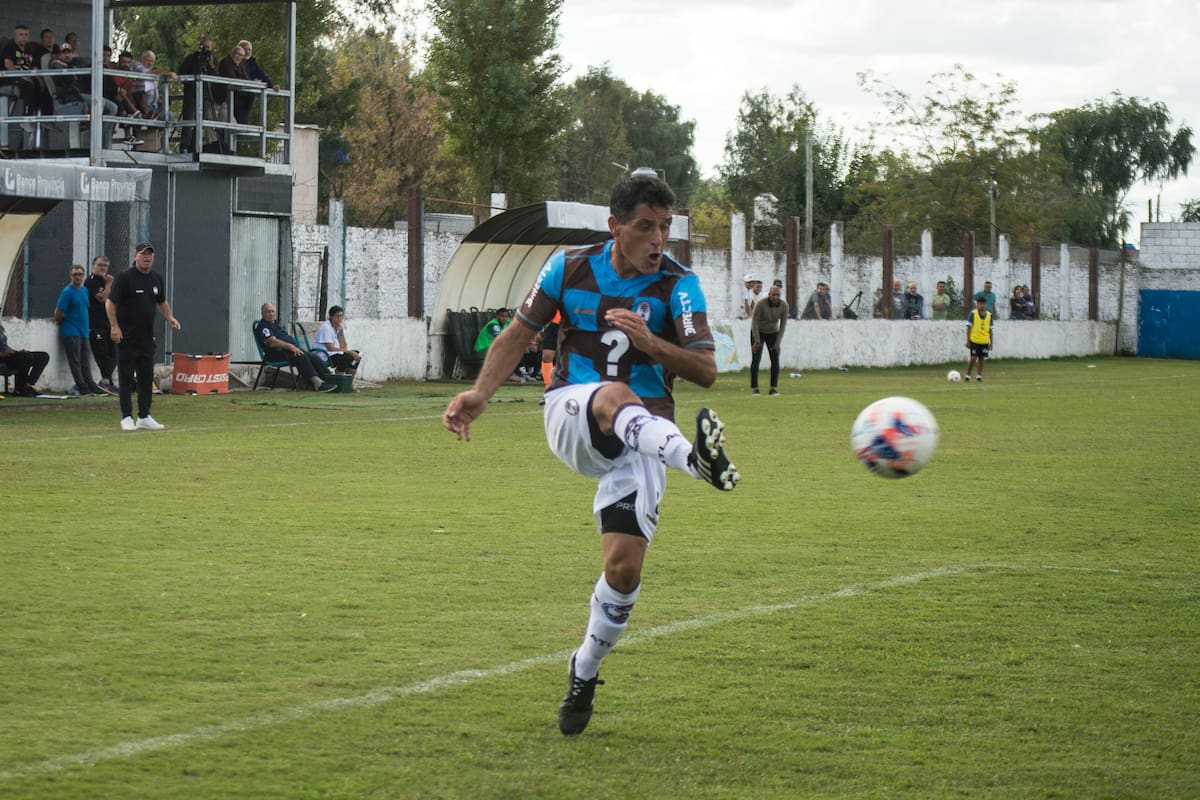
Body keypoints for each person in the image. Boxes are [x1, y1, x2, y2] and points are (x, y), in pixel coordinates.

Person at [443, 172, 740, 737]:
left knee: (623, 569)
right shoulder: (567, 267)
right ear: (615, 227)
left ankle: (583, 670)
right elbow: (515, 334)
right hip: (574, 414)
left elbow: (705, 371)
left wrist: (651, 342)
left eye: (665, 228)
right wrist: (480, 394)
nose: (658, 239)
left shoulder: (680, 286)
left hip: (645, 439)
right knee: (614, 395)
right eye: (645, 227)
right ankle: (696, 461)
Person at [106, 242, 182, 430]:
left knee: (146, 377)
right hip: (126, 338)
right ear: (135, 257)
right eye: (143, 254)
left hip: (146, 338)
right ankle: (126, 417)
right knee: (125, 377)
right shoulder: (125, 278)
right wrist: (114, 327)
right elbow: (110, 302)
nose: (147, 257)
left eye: (150, 254)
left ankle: (144, 416)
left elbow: (161, 302)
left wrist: (170, 317)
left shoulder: (156, 279)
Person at [253, 302, 338, 392]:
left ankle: (331, 380)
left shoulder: (276, 325)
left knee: (314, 357)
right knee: (300, 356)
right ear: (262, 313)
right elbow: (271, 342)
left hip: (288, 351)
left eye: (273, 311)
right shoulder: (263, 326)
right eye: (268, 312)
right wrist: (290, 346)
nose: (271, 314)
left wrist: (292, 346)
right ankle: (318, 384)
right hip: (275, 354)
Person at [54, 264, 110, 397]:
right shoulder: (67, 291)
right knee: (75, 359)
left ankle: (90, 384)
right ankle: (81, 385)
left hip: (83, 330)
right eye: (75, 274)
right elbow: (59, 311)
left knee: (86, 359)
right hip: (71, 330)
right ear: (71, 276)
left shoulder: (84, 290)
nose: (78, 277)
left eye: (80, 274)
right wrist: (62, 321)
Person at [177, 38, 217, 153]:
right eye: (204, 47)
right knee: (188, 118)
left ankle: (195, 146)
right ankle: (184, 145)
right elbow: (181, 73)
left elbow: (217, 77)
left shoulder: (213, 60)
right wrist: (192, 82)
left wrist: (212, 66)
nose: (206, 50)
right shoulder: (192, 58)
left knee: (201, 121)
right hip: (191, 92)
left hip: (206, 94)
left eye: (208, 47)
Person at [85, 255, 118, 390]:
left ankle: (107, 381)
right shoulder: (91, 281)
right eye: (99, 265)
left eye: (105, 266)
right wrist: (109, 283)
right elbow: (103, 299)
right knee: (102, 352)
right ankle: (106, 381)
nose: (102, 268)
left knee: (115, 353)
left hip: (110, 322)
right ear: (94, 266)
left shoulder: (107, 281)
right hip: (96, 323)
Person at [750, 283, 788, 396]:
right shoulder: (760, 304)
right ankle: (755, 388)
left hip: (773, 333)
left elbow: (783, 325)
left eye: (778, 295)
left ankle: (773, 388)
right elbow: (754, 322)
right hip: (758, 332)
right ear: (769, 294)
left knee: (775, 360)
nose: (775, 297)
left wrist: (778, 342)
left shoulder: (784, 306)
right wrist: (757, 340)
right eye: (773, 295)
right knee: (756, 360)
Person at [0, 320, 50, 397]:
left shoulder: (1, 328)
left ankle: (27, 385)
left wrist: (16, 351)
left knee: (43, 356)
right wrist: (2, 354)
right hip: (2, 358)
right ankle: (19, 389)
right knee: (26, 357)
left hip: (7, 355)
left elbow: (4, 347)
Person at [233, 39, 277, 125]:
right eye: (246, 49)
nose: (248, 52)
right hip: (235, 97)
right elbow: (234, 77)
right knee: (233, 124)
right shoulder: (234, 61)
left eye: (249, 49)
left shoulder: (252, 63)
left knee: (242, 125)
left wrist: (272, 86)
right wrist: (251, 82)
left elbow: (262, 76)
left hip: (247, 99)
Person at [313, 305, 361, 374]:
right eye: (337, 316)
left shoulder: (339, 327)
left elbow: (344, 347)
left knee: (356, 356)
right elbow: (330, 348)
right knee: (346, 358)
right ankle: (339, 379)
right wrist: (350, 352)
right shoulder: (326, 327)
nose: (339, 319)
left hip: (336, 353)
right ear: (331, 316)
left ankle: (348, 381)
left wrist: (341, 333)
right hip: (325, 354)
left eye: (341, 316)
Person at [130, 50, 177, 119]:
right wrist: (169, 74)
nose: (150, 63)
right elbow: (145, 72)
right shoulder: (137, 66)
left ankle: (156, 127)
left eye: (152, 61)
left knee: (169, 115)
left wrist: (159, 100)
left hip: (154, 106)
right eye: (147, 60)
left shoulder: (153, 74)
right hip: (141, 106)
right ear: (142, 60)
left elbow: (153, 90)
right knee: (166, 116)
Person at [964, 294, 993, 382]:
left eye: (984, 304)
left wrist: (991, 342)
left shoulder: (989, 315)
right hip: (974, 340)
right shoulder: (973, 314)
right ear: (977, 304)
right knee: (973, 358)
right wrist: (968, 340)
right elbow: (969, 327)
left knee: (982, 358)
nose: (982, 305)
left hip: (984, 341)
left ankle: (979, 375)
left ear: (986, 304)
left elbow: (991, 330)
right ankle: (968, 375)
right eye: (980, 303)